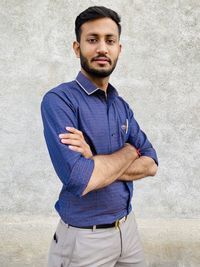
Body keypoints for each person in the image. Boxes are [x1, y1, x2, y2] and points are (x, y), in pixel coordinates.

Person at [41, 6, 158, 267]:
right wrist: (130, 151)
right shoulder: (60, 101)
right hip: (84, 241)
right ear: (77, 48)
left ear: (119, 49)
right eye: (92, 40)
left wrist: (93, 159)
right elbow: (80, 179)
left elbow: (151, 164)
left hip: (128, 231)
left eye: (110, 40)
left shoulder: (122, 106)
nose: (102, 48)